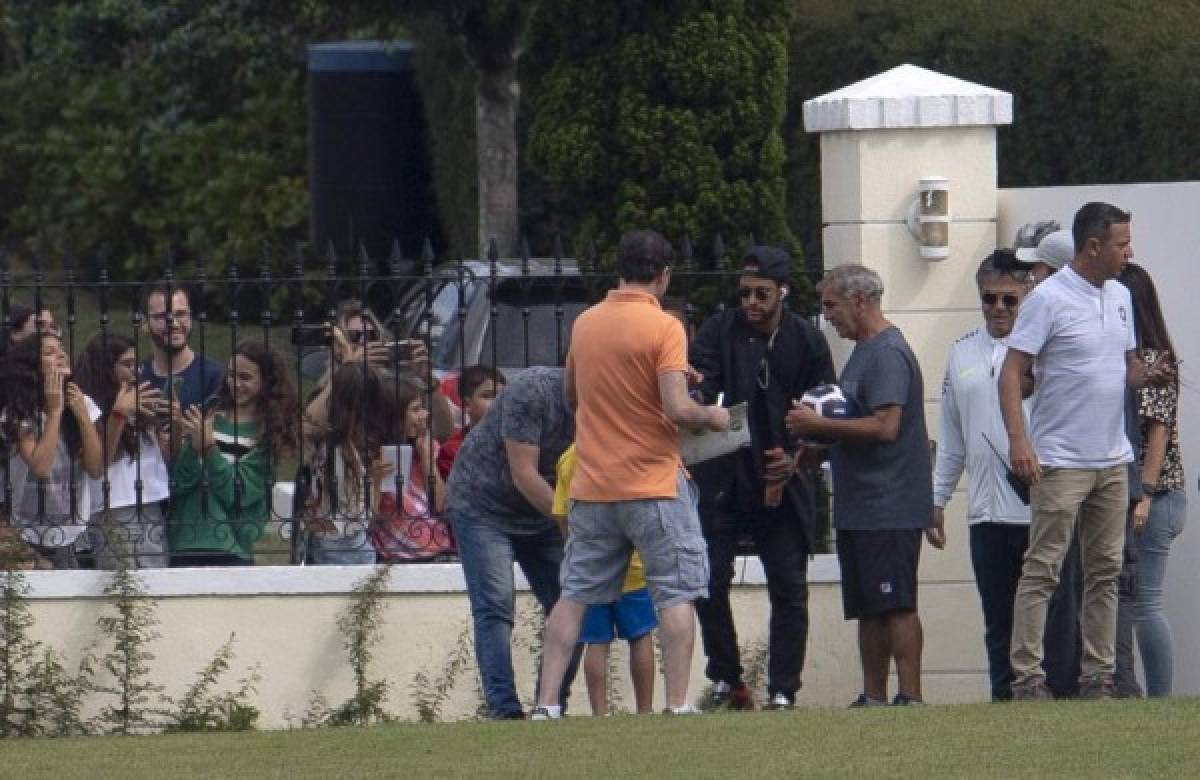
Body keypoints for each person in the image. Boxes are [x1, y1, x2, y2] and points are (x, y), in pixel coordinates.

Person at [532, 229, 729, 719]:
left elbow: (575, 396)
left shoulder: (586, 323)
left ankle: (546, 702)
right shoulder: (664, 327)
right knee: (676, 591)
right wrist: (715, 417)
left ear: (618, 270)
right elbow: (677, 407)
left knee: (573, 595)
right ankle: (678, 703)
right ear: (664, 276)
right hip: (654, 483)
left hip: (594, 485)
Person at [999, 202, 1168, 700]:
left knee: (1106, 572)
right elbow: (1012, 372)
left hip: (1112, 460)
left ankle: (1099, 676)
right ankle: (1027, 677)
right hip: (1060, 460)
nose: (1129, 252)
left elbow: (1125, 368)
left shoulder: (1119, 295)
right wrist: (1019, 441)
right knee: (1043, 569)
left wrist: (1146, 375)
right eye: (1121, 243)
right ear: (1093, 247)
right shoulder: (1047, 299)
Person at [689, 245, 835, 711]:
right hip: (724, 477)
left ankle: (783, 688)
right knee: (710, 578)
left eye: (762, 294)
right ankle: (726, 678)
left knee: (788, 584)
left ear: (783, 292)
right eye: (746, 293)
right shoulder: (720, 329)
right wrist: (701, 403)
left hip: (782, 479)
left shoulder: (807, 340)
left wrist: (797, 458)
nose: (751, 302)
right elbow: (702, 389)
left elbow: (826, 407)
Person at [785, 263, 933, 707]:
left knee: (896, 603)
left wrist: (816, 423)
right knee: (868, 607)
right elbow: (855, 421)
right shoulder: (862, 351)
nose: (826, 315)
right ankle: (873, 696)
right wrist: (821, 445)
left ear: (860, 300)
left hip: (889, 501)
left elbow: (887, 426)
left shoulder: (887, 353)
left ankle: (910, 696)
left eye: (831, 304)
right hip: (860, 504)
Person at [445, 366, 579, 719]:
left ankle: (549, 705)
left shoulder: (605, 401)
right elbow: (524, 473)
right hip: (482, 504)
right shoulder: (531, 391)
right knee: (496, 606)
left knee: (574, 601)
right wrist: (570, 524)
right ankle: (504, 710)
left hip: (542, 510)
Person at [169, 341, 299, 566]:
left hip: (232, 544)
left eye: (246, 378)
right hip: (187, 540)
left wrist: (209, 450)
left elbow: (237, 494)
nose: (236, 384)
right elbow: (180, 481)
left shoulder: (267, 433)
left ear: (266, 382)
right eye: (231, 375)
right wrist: (191, 447)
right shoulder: (210, 415)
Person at [1120, 262, 1186, 697]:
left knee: (1145, 603)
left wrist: (1142, 494)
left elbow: (1158, 430)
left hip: (1156, 494)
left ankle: (1161, 698)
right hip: (1148, 494)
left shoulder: (1154, 358)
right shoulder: (1130, 359)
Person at [554, 443, 657, 716]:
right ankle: (645, 710)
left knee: (596, 642)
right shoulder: (629, 450)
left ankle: (600, 713)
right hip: (632, 565)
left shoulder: (569, 458)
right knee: (640, 635)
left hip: (592, 569)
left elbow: (563, 517)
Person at [0, 334, 104, 568]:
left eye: (62, 349)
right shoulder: (18, 412)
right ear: (31, 367)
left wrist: (83, 418)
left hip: (71, 530)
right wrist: (54, 412)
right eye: (49, 352)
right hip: (25, 532)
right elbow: (41, 466)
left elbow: (96, 469)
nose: (61, 355)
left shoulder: (82, 403)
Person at [73, 333, 170, 568]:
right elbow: (99, 463)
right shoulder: (88, 404)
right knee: (122, 583)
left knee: (156, 582)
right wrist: (119, 415)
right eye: (127, 365)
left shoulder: (137, 399)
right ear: (106, 368)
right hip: (113, 506)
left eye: (136, 364)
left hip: (150, 501)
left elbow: (159, 458)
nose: (135, 371)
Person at [369, 380, 451, 561]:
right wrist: (374, 483)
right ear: (395, 415)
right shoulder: (375, 454)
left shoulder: (426, 448)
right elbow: (370, 518)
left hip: (437, 549)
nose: (425, 415)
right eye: (415, 409)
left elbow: (440, 505)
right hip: (397, 553)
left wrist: (427, 459)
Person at [139, 285, 224, 420]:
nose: (174, 323)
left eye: (181, 314)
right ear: (144, 323)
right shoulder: (137, 375)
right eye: (162, 316)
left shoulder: (216, 376)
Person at [436, 365, 506, 480]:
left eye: (502, 396)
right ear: (467, 404)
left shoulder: (516, 442)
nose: (498, 402)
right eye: (487, 396)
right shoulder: (453, 449)